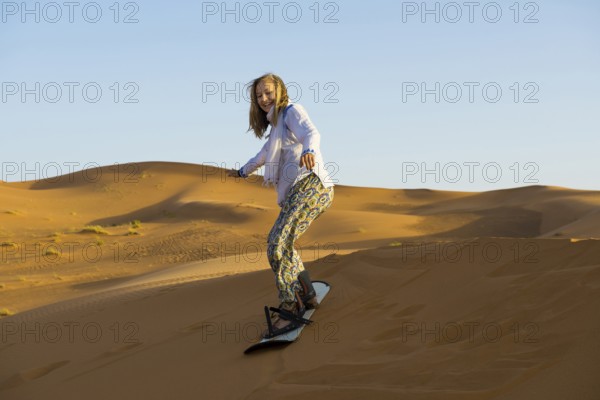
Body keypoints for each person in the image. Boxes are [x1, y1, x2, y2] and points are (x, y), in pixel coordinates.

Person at [227, 73, 334, 337]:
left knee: (276, 242)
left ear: (280, 90)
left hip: (311, 185)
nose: (264, 99)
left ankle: (290, 303)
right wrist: (241, 172)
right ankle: (306, 293)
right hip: (297, 192)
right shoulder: (276, 129)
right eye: (259, 96)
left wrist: (309, 151)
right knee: (282, 243)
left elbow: (312, 132)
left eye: (268, 92)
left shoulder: (291, 112)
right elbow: (261, 157)